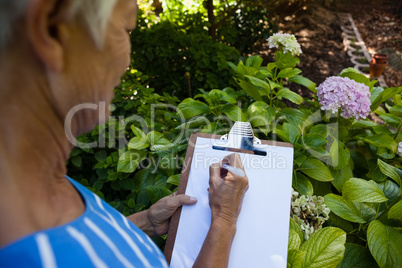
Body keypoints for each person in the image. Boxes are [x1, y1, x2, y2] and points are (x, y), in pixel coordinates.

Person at [0, 0, 249, 267]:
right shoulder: (39, 257)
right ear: (52, 30)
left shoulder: (35, 181)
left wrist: (146, 223)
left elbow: (88, 245)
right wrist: (224, 219)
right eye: (124, 29)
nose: (127, 62)